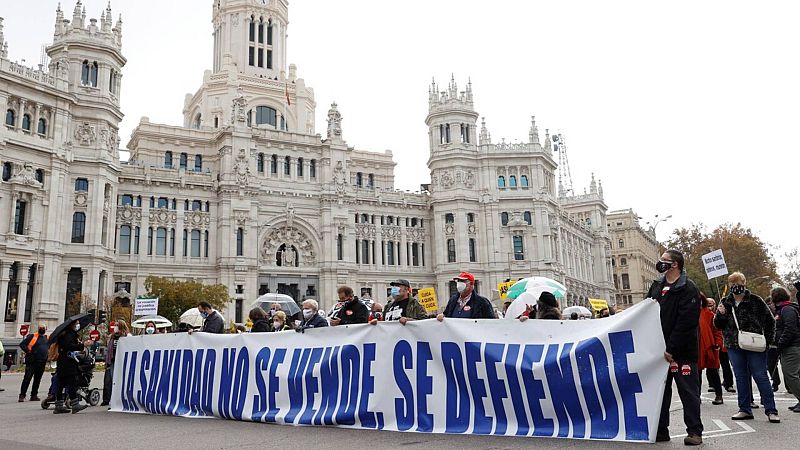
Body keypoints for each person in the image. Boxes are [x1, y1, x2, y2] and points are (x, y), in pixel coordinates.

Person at [646, 249, 703, 445]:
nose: (660, 263)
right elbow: (645, 313)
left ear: (675, 264)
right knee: (661, 393)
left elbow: (686, 323)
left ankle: (695, 431)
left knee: (688, 392)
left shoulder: (688, 288)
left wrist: (672, 348)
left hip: (682, 352)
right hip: (659, 351)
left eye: (664, 260)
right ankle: (661, 430)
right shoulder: (656, 286)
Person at [714, 272, 779, 423]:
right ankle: (744, 409)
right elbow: (718, 325)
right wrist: (721, 314)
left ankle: (771, 410)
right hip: (734, 345)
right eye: (733, 285)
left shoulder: (756, 300)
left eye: (739, 284)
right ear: (729, 286)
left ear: (744, 284)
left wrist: (767, 342)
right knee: (741, 377)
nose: (736, 287)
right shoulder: (725, 301)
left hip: (755, 344)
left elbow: (770, 321)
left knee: (760, 375)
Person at [54, 320, 92, 414]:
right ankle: (75, 404)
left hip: (62, 361)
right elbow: (70, 346)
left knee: (61, 383)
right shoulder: (69, 334)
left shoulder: (63, 334)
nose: (77, 325)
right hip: (68, 362)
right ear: (72, 325)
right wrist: (83, 345)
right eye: (76, 323)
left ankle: (58, 405)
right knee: (71, 382)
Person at [773, 286, 800, 411]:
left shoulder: (787, 310)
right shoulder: (786, 309)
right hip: (791, 346)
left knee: (790, 375)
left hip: (791, 347)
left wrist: (781, 343)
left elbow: (790, 329)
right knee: (794, 375)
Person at [699, 297, 724, 405]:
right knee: (696, 373)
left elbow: (717, 330)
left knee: (713, 372)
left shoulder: (709, 314)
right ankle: (696, 395)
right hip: (696, 347)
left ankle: (719, 395)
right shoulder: (688, 314)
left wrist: (718, 343)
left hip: (710, 346)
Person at [101, 320, 129, 406]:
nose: (115, 327)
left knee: (118, 381)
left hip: (121, 361)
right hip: (112, 361)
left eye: (117, 325)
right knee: (108, 380)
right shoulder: (111, 337)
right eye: (115, 325)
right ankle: (106, 399)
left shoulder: (126, 337)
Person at [18, 324, 49, 402]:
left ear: (46, 329)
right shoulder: (33, 336)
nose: (42, 329)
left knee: (37, 379)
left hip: (42, 362)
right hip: (32, 362)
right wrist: (28, 351)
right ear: (38, 329)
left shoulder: (46, 338)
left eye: (43, 328)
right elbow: (22, 344)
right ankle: (22, 395)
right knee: (27, 379)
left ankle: (34, 395)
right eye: (40, 328)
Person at [765, 296, 782, 391]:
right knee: (771, 365)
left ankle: (789, 386)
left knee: (786, 367)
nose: (771, 305)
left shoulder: (783, 312)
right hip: (771, 344)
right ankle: (775, 382)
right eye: (769, 304)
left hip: (782, 343)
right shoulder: (766, 314)